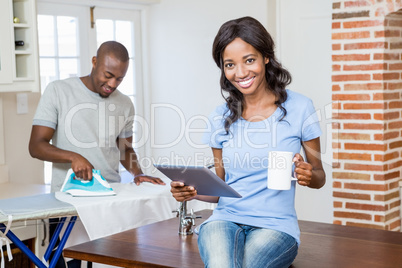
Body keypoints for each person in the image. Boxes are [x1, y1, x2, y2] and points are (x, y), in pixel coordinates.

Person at [170, 17, 325, 268]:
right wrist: (191, 192)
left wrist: (308, 174)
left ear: (266, 56)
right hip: (224, 220)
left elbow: (319, 176)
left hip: (276, 226)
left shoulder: (300, 107)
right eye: (230, 64)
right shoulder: (220, 117)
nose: (240, 73)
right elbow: (220, 189)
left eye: (249, 60)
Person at [29, 41, 164, 268]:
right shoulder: (59, 91)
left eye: (119, 79)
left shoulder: (124, 103)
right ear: (94, 62)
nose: (112, 84)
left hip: (109, 202)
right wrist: (73, 157)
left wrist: (138, 173)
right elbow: (36, 145)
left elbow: (125, 148)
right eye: (108, 75)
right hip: (67, 203)